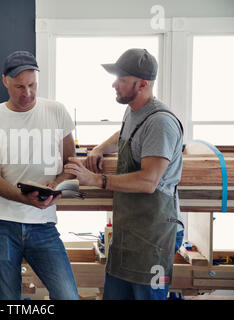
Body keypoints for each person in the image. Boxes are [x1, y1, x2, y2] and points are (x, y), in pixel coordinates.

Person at [64, 48, 184, 300]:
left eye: (121, 79)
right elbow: (123, 134)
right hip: (129, 232)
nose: (113, 84)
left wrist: (96, 180)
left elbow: (149, 181)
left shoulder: (160, 123)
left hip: (154, 237)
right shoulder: (133, 110)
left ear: (142, 84)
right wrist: (99, 148)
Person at [0, 51, 79, 300]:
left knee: (68, 296)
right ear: (5, 81)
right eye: (19, 86)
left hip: (43, 224)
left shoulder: (57, 112)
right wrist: (26, 199)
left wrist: (55, 185)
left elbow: (71, 164)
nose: (27, 93)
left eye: (32, 85)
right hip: (0, 222)